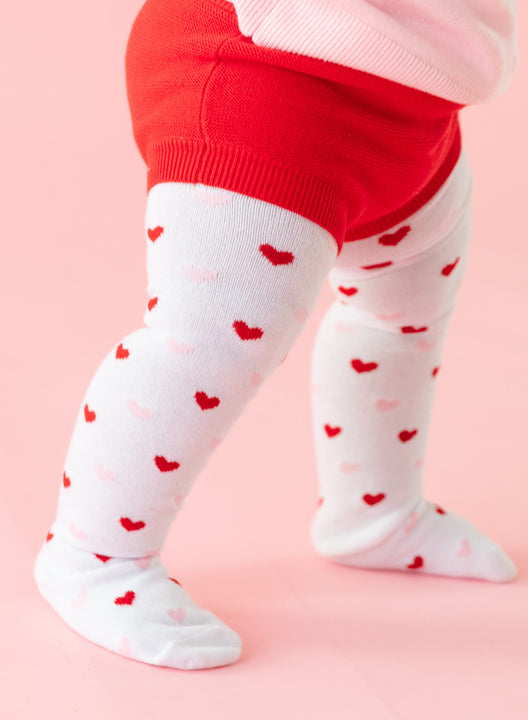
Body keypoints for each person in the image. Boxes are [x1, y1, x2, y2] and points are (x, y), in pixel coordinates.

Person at [33, 0, 519, 670]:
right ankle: (93, 556)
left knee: (405, 311)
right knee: (205, 341)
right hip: (269, 69)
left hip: (420, 87)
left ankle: (374, 512)